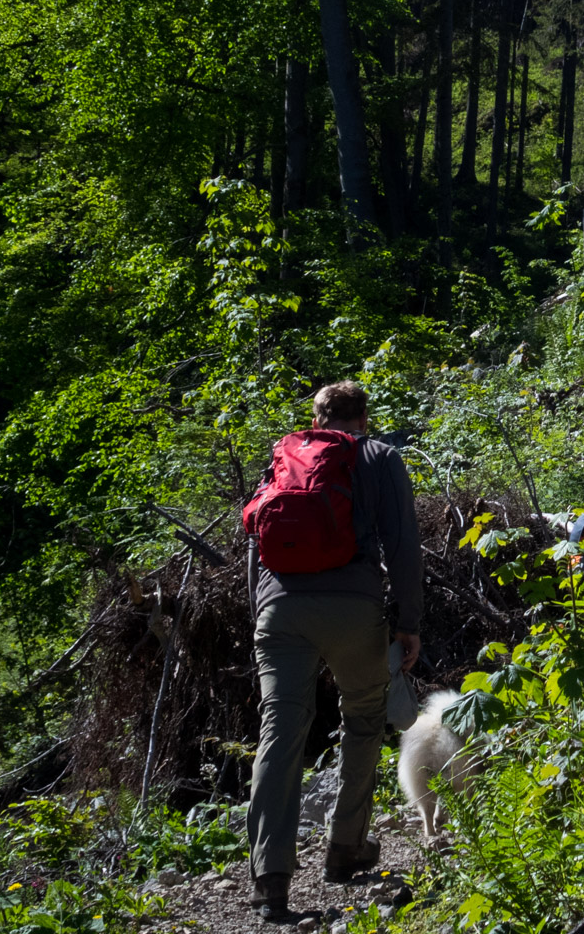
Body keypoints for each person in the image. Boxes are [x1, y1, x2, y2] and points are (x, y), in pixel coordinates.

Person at [245, 382, 423, 919]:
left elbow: (258, 539)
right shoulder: (379, 456)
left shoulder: (286, 454)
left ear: (317, 417)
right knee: (365, 718)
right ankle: (344, 848)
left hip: (279, 609)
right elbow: (403, 542)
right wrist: (407, 623)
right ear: (365, 417)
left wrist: (262, 612)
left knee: (279, 732)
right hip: (354, 606)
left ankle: (270, 878)